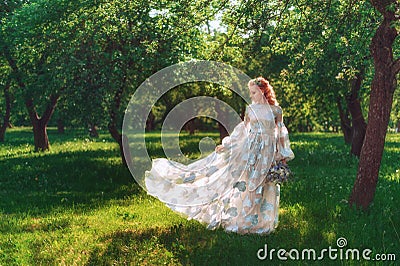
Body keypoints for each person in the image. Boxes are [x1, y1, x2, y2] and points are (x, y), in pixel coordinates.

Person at [145, 77, 294, 234]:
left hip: (268, 152)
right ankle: (246, 221)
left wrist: (282, 155)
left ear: (263, 91)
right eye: (250, 93)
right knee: (249, 183)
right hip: (251, 150)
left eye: (254, 92)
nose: (251, 96)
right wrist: (227, 145)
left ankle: (262, 222)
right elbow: (242, 130)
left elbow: (281, 134)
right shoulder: (251, 109)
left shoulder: (276, 111)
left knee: (266, 185)